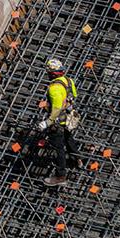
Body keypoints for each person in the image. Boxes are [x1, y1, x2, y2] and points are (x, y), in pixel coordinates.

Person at [40, 58, 78, 186]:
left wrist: (48, 122)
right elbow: (74, 96)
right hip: (69, 119)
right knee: (69, 139)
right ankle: (77, 160)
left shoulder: (54, 88)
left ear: (51, 73)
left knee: (58, 149)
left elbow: (56, 108)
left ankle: (60, 176)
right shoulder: (68, 80)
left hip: (58, 122)